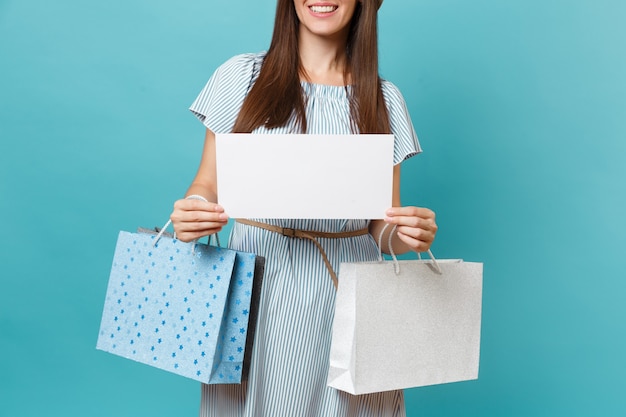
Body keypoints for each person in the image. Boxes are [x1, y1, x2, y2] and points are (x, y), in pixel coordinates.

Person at [170, 1, 438, 416]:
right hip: (257, 294)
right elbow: (206, 183)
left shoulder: (383, 99)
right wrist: (195, 209)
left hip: (346, 296)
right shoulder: (243, 77)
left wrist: (408, 233)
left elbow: (381, 225)